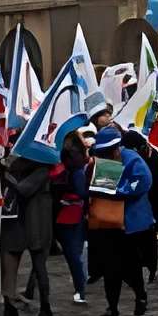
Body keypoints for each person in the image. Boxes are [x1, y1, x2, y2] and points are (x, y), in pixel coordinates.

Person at [89, 123, 156, 316]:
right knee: (110, 267)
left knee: (130, 265)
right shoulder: (106, 162)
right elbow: (102, 190)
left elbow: (144, 182)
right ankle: (112, 307)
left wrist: (119, 191)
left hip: (130, 224)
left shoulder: (132, 159)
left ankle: (140, 295)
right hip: (109, 223)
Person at [0, 151, 55, 316]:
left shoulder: (42, 169)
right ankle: (10, 310)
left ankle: (45, 309)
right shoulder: (20, 166)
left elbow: (24, 189)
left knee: (39, 267)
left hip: (37, 223)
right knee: (8, 266)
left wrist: (7, 175)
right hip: (16, 221)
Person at [51, 131, 96, 306]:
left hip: (67, 215)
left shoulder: (65, 167)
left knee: (72, 255)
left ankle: (80, 288)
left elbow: (81, 192)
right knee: (73, 254)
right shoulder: (76, 167)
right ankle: (80, 287)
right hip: (71, 214)